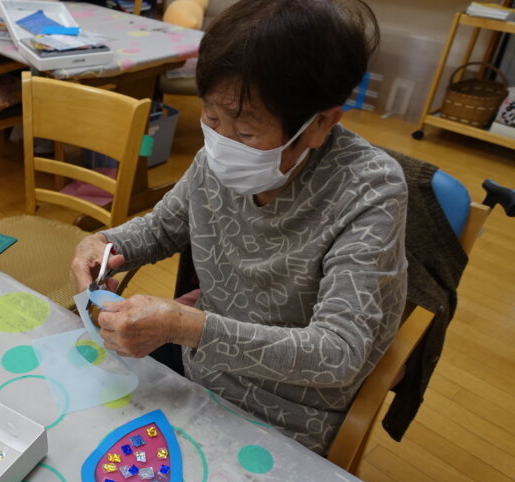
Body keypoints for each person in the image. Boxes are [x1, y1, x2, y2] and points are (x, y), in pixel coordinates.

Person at [70, 0, 408, 455]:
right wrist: (103, 245)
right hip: (199, 365)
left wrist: (185, 326)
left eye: (247, 133)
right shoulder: (213, 162)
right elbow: (164, 227)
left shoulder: (370, 190)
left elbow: (337, 354)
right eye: (211, 118)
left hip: (288, 408)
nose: (223, 144)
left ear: (320, 124)